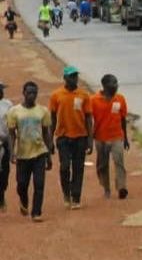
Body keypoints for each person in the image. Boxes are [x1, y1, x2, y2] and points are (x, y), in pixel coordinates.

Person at [6, 81, 53, 222]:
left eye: (34, 93)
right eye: (29, 92)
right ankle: (24, 201)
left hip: (39, 152)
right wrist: (12, 152)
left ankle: (36, 212)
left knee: (39, 184)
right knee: (21, 184)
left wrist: (48, 155)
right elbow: (12, 134)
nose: (32, 95)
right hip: (22, 154)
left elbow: (46, 133)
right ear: (24, 93)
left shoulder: (43, 111)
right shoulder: (14, 112)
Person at [49, 66, 93, 209]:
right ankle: (66, 193)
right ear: (65, 78)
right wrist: (50, 139)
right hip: (63, 137)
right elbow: (52, 118)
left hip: (80, 136)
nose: (75, 79)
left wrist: (90, 139)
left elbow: (88, 118)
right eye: (72, 76)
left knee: (78, 168)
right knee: (65, 167)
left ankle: (76, 197)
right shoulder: (56, 95)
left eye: (76, 76)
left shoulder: (83, 95)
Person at [90, 74, 130, 200]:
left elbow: (123, 119)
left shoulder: (120, 99)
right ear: (105, 86)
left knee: (119, 162)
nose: (116, 86)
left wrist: (125, 138)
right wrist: (89, 139)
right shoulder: (94, 100)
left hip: (116, 136)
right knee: (102, 165)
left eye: (116, 83)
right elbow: (89, 120)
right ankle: (106, 188)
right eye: (113, 83)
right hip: (100, 137)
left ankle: (121, 187)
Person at [0, 81, 12, 211]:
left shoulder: (8, 105)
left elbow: (11, 125)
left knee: (4, 172)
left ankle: (2, 194)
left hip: (4, 143)